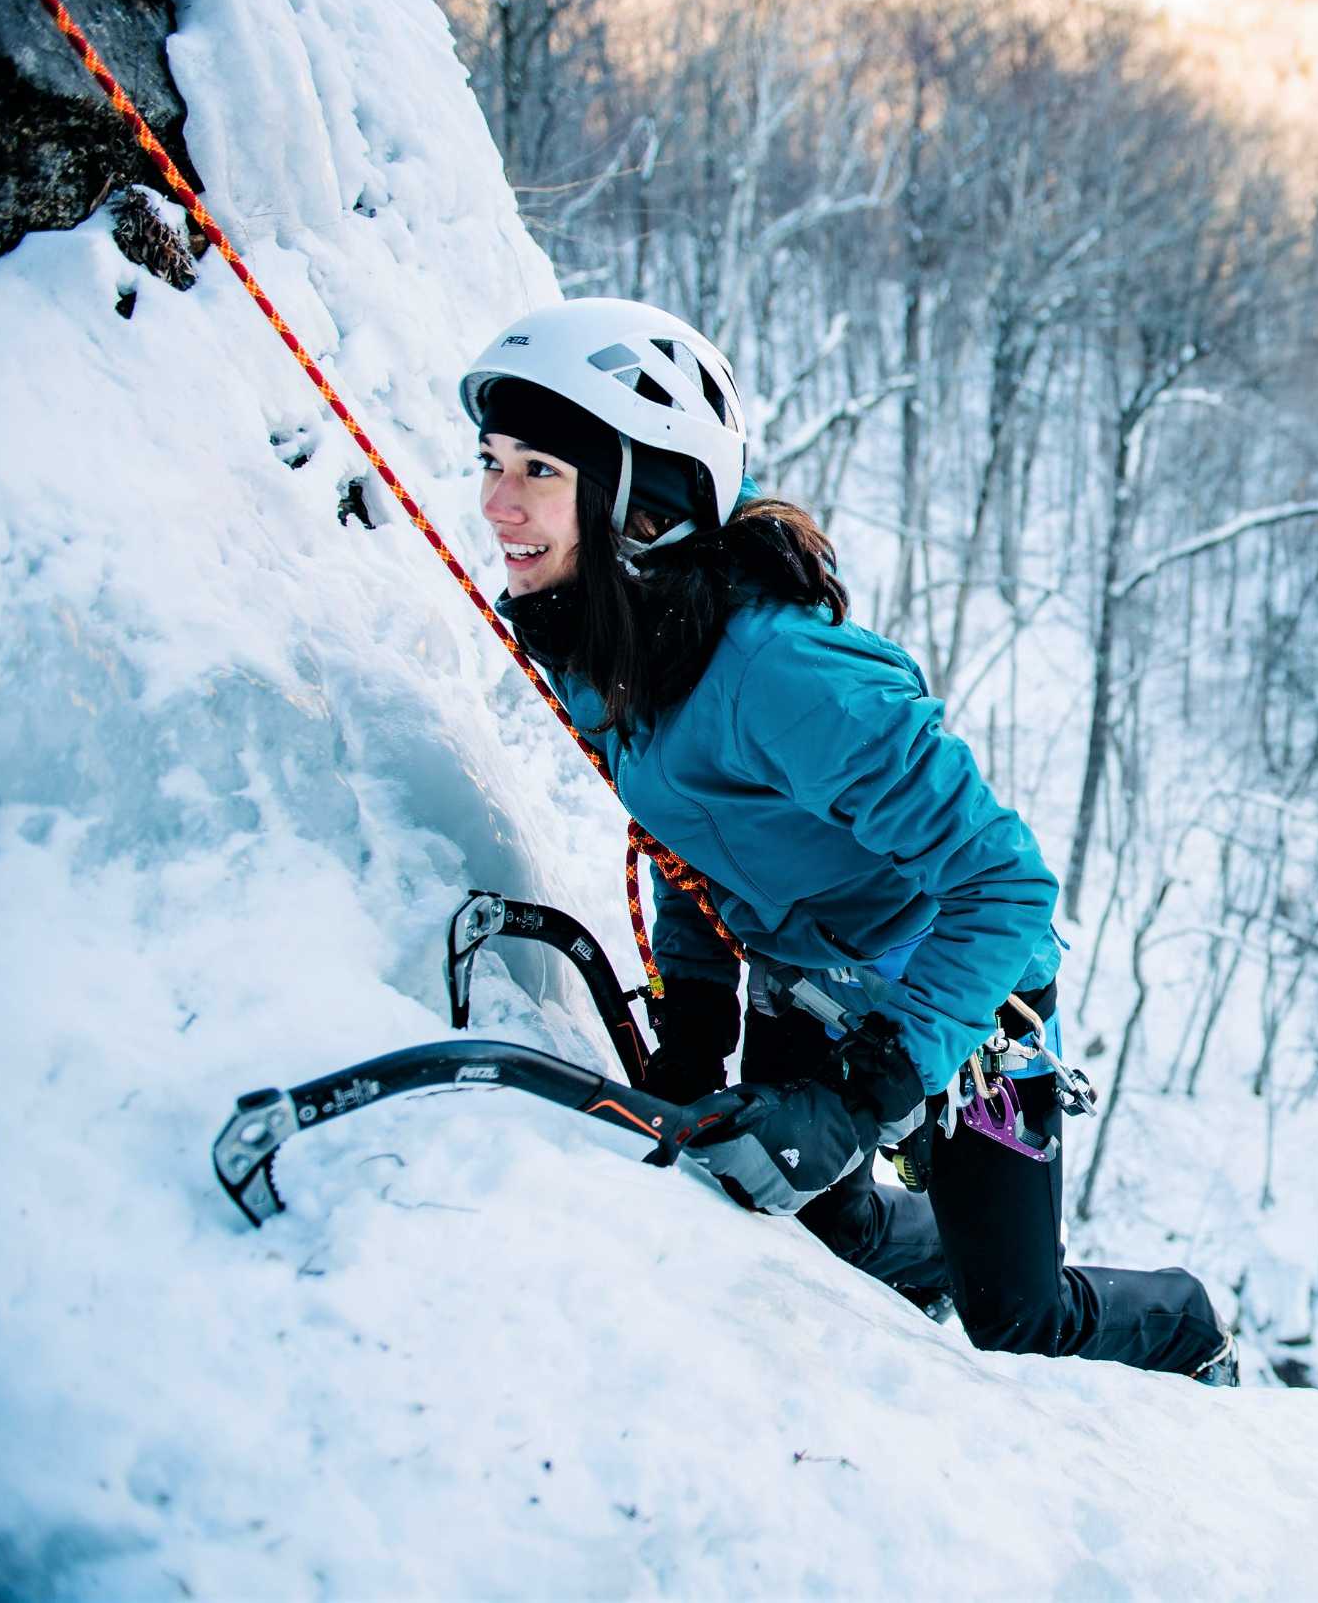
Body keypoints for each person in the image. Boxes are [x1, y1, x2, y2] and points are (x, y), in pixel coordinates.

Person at [465, 297, 1233, 1384]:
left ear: (646, 496)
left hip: (969, 1010)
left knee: (1016, 1317)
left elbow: (1005, 885)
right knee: (828, 1229)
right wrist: (692, 1017)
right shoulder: (601, 640)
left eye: (538, 468)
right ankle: (922, 1256)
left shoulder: (787, 676)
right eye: (491, 460)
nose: (496, 503)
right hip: (804, 977)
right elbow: (699, 838)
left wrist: (859, 1096)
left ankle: (1188, 1328)